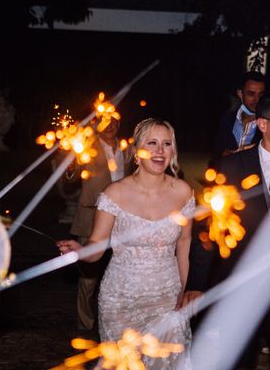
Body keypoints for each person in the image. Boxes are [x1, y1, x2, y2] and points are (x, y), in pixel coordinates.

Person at [58, 118, 194, 369]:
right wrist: (80, 252)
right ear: (136, 150)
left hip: (166, 298)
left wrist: (182, 289)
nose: (160, 150)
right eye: (152, 143)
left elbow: (184, 245)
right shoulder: (114, 194)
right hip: (121, 300)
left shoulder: (183, 192)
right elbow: (97, 247)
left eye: (166, 144)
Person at [184, 97, 270, 369]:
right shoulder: (232, 166)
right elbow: (209, 227)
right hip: (240, 286)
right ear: (262, 124)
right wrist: (196, 283)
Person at [66, 117, 131, 331]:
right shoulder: (88, 147)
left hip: (123, 218)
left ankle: (118, 319)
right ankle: (85, 323)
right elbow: (71, 176)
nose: (110, 125)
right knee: (89, 274)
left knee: (123, 270)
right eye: (105, 122)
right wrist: (72, 164)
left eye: (114, 121)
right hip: (92, 217)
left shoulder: (127, 148)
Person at [212, 71, 266, 162]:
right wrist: (223, 154)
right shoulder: (228, 119)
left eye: (261, 95)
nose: (257, 99)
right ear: (240, 94)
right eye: (251, 94)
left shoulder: (269, 122)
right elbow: (217, 152)